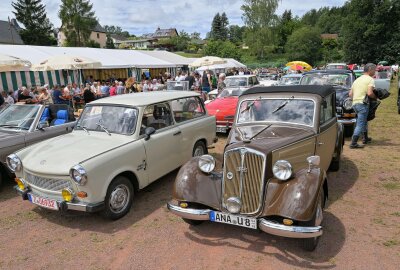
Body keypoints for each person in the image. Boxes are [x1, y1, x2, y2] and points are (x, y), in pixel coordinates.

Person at [349, 63, 377, 149]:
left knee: (363, 120)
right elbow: (369, 93)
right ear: (370, 70)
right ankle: (353, 143)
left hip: (355, 103)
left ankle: (365, 138)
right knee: (360, 123)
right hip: (363, 104)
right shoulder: (370, 79)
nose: (375, 72)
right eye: (374, 70)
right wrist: (375, 97)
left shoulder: (357, 80)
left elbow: (350, 94)